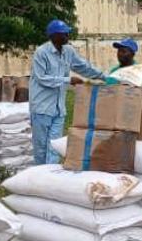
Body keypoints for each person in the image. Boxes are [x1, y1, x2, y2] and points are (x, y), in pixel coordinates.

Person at [30, 19, 117, 165]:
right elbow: (41, 78)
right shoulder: (41, 53)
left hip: (59, 109)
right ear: (54, 35)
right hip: (41, 108)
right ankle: (39, 174)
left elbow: (83, 67)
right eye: (64, 33)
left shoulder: (68, 51)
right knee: (41, 148)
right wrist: (68, 80)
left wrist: (104, 77)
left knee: (54, 145)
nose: (67, 36)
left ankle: (50, 176)